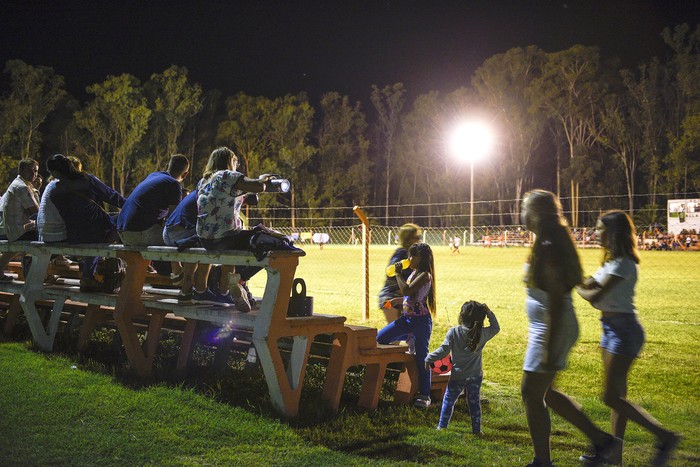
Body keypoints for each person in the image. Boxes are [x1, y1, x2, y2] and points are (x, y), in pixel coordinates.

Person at [520, 189, 618, 467]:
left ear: (536, 214)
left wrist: (550, 345)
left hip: (553, 326)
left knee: (530, 392)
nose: (522, 213)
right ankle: (602, 440)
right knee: (545, 393)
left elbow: (555, 301)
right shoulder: (547, 241)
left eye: (525, 208)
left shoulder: (549, 245)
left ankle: (543, 461)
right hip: (549, 326)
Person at [576, 210, 681, 466]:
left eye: (600, 229)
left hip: (624, 332)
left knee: (610, 397)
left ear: (614, 233)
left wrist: (573, 283)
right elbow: (590, 284)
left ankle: (665, 436)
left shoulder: (624, 264)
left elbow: (594, 297)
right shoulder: (611, 263)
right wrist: (581, 281)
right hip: (610, 329)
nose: (595, 233)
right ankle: (615, 459)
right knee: (617, 398)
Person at [196, 146, 275, 311]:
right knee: (273, 244)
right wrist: (263, 179)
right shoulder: (226, 175)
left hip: (205, 240)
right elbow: (258, 186)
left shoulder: (204, 181)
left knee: (247, 246)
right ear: (228, 161)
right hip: (225, 237)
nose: (237, 165)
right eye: (235, 161)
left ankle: (236, 287)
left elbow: (224, 199)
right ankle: (240, 280)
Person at [44, 154, 125, 291]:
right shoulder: (87, 180)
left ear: (55, 172)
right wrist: (133, 207)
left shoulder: (55, 192)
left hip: (75, 237)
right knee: (122, 222)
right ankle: (121, 273)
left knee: (92, 233)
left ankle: (89, 277)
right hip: (101, 233)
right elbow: (113, 197)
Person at [377, 242, 436, 408]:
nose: (409, 259)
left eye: (413, 256)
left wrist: (397, 274)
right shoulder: (415, 273)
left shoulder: (425, 275)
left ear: (422, 258)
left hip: (420, 322)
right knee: (380, 338)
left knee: (422, 357)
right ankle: (409, 341)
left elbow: (408, 291)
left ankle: (425, 395)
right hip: (406, 321)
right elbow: (409, 297)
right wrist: (396, 301)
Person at [426, 300, 500, 433]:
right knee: (474, 403)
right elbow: (496, 328)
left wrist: (429, 359)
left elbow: (443, 350)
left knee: (449, 400)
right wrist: (489, 312)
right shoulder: (482, 333)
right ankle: (477, 430)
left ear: (462, 316)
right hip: (475, 375)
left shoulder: (454, 332)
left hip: (458, 376)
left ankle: (442, 427)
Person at [117, 154, 189, 246]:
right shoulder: (174, 184)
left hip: (121, 232)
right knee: (183, 239)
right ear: (185, 174)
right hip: (138, 232)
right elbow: (173, 221)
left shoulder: (153, 175)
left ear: (168, 166)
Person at [162, 190, 216, 304]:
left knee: (198, 236)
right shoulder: (215, 192)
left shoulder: (199, 189)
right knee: (208, 240)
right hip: (180, 233)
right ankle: (200, 289)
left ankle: (181, 279)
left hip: (168, 232)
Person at [0, 158, 40, 282]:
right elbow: (35, 213)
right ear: (21, 170)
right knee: (49, 237)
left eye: (36, 171)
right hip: (16, 232)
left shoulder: (17, 184)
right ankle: (35, 277)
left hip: (12, 230)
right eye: (31, 170)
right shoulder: (21, 187)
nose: (34, 174)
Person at [378, 223, 422, 324]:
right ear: (408, 239)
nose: (419, 239)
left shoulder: (412, 254)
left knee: (408, 333)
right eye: (416, 237)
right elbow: (391, 272)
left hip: (404, 298)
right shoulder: (401, 254)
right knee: (394, 334)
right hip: (390, 297)